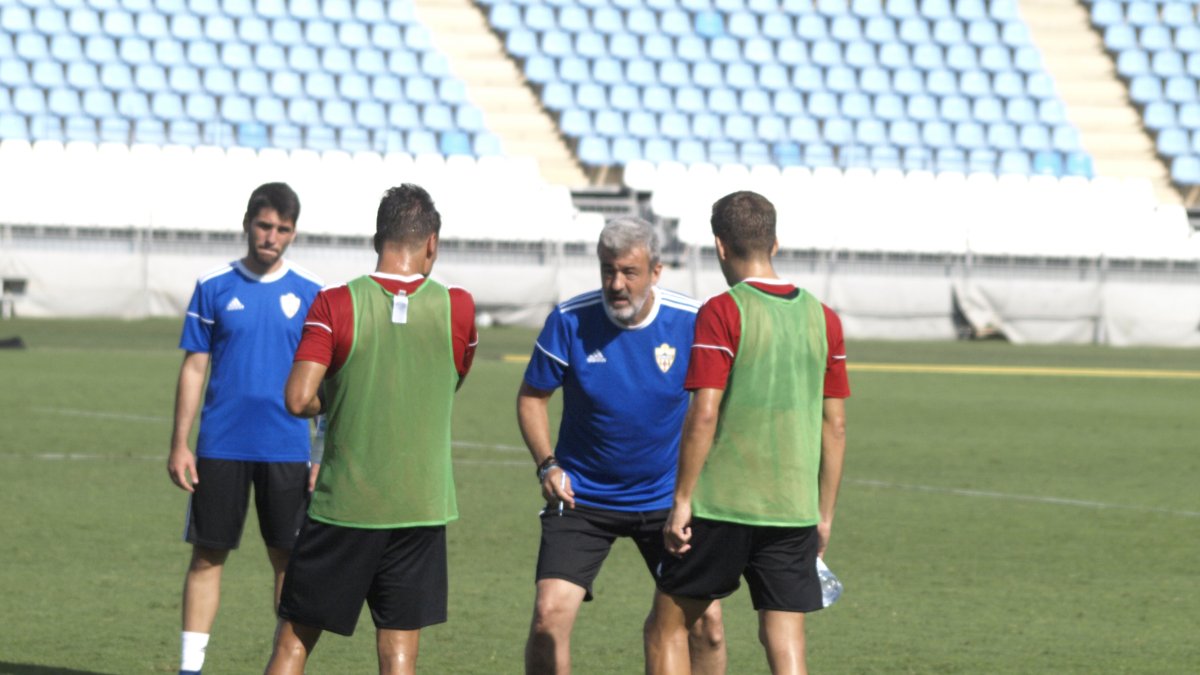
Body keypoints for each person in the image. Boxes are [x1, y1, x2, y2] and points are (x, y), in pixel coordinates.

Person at [264, 184, 477, 675]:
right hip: (421, 507)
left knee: (294, 642)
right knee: (399, 651)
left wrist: (341, 395)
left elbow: (298, 398)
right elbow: (451, 380)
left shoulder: (334, 303)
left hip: (346, 506)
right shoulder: (459, 307)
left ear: (376, 238)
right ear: (432, 244)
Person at [644, 191, 851, 675]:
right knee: (784, 638)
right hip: (793, 507)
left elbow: (704, 413)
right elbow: (835, 425)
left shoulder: (722, 311)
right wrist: (823, 514)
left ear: (719, 246)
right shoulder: (825, 318)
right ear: (775, 243)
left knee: (667, 628)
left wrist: (681, 501)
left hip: (722, 505)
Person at [519, 216, 726, 675]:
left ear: (656, 271)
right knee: (547, 620)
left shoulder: (692, 322)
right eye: (607, 270)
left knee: (707, 625)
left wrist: (695, 490)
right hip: (583, 498)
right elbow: (532, 397)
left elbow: (717, 406)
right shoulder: (569, 320)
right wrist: (547, 465)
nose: (616, 284)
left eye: (629, 272)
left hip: (667, 501)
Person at [167, 182, 323, 675]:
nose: (271, 236)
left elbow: (327, 381)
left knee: (288, 562)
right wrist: (180, 443)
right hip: (222, 445)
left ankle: (283, 665)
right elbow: (195, 367)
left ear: (293, 233)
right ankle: (190, 668)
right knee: (208, 557)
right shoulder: (213, 285)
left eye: (282, 228)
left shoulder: (313, 292)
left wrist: (321, 453)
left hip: (287, 448)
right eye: (264, 225)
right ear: (247, 224)